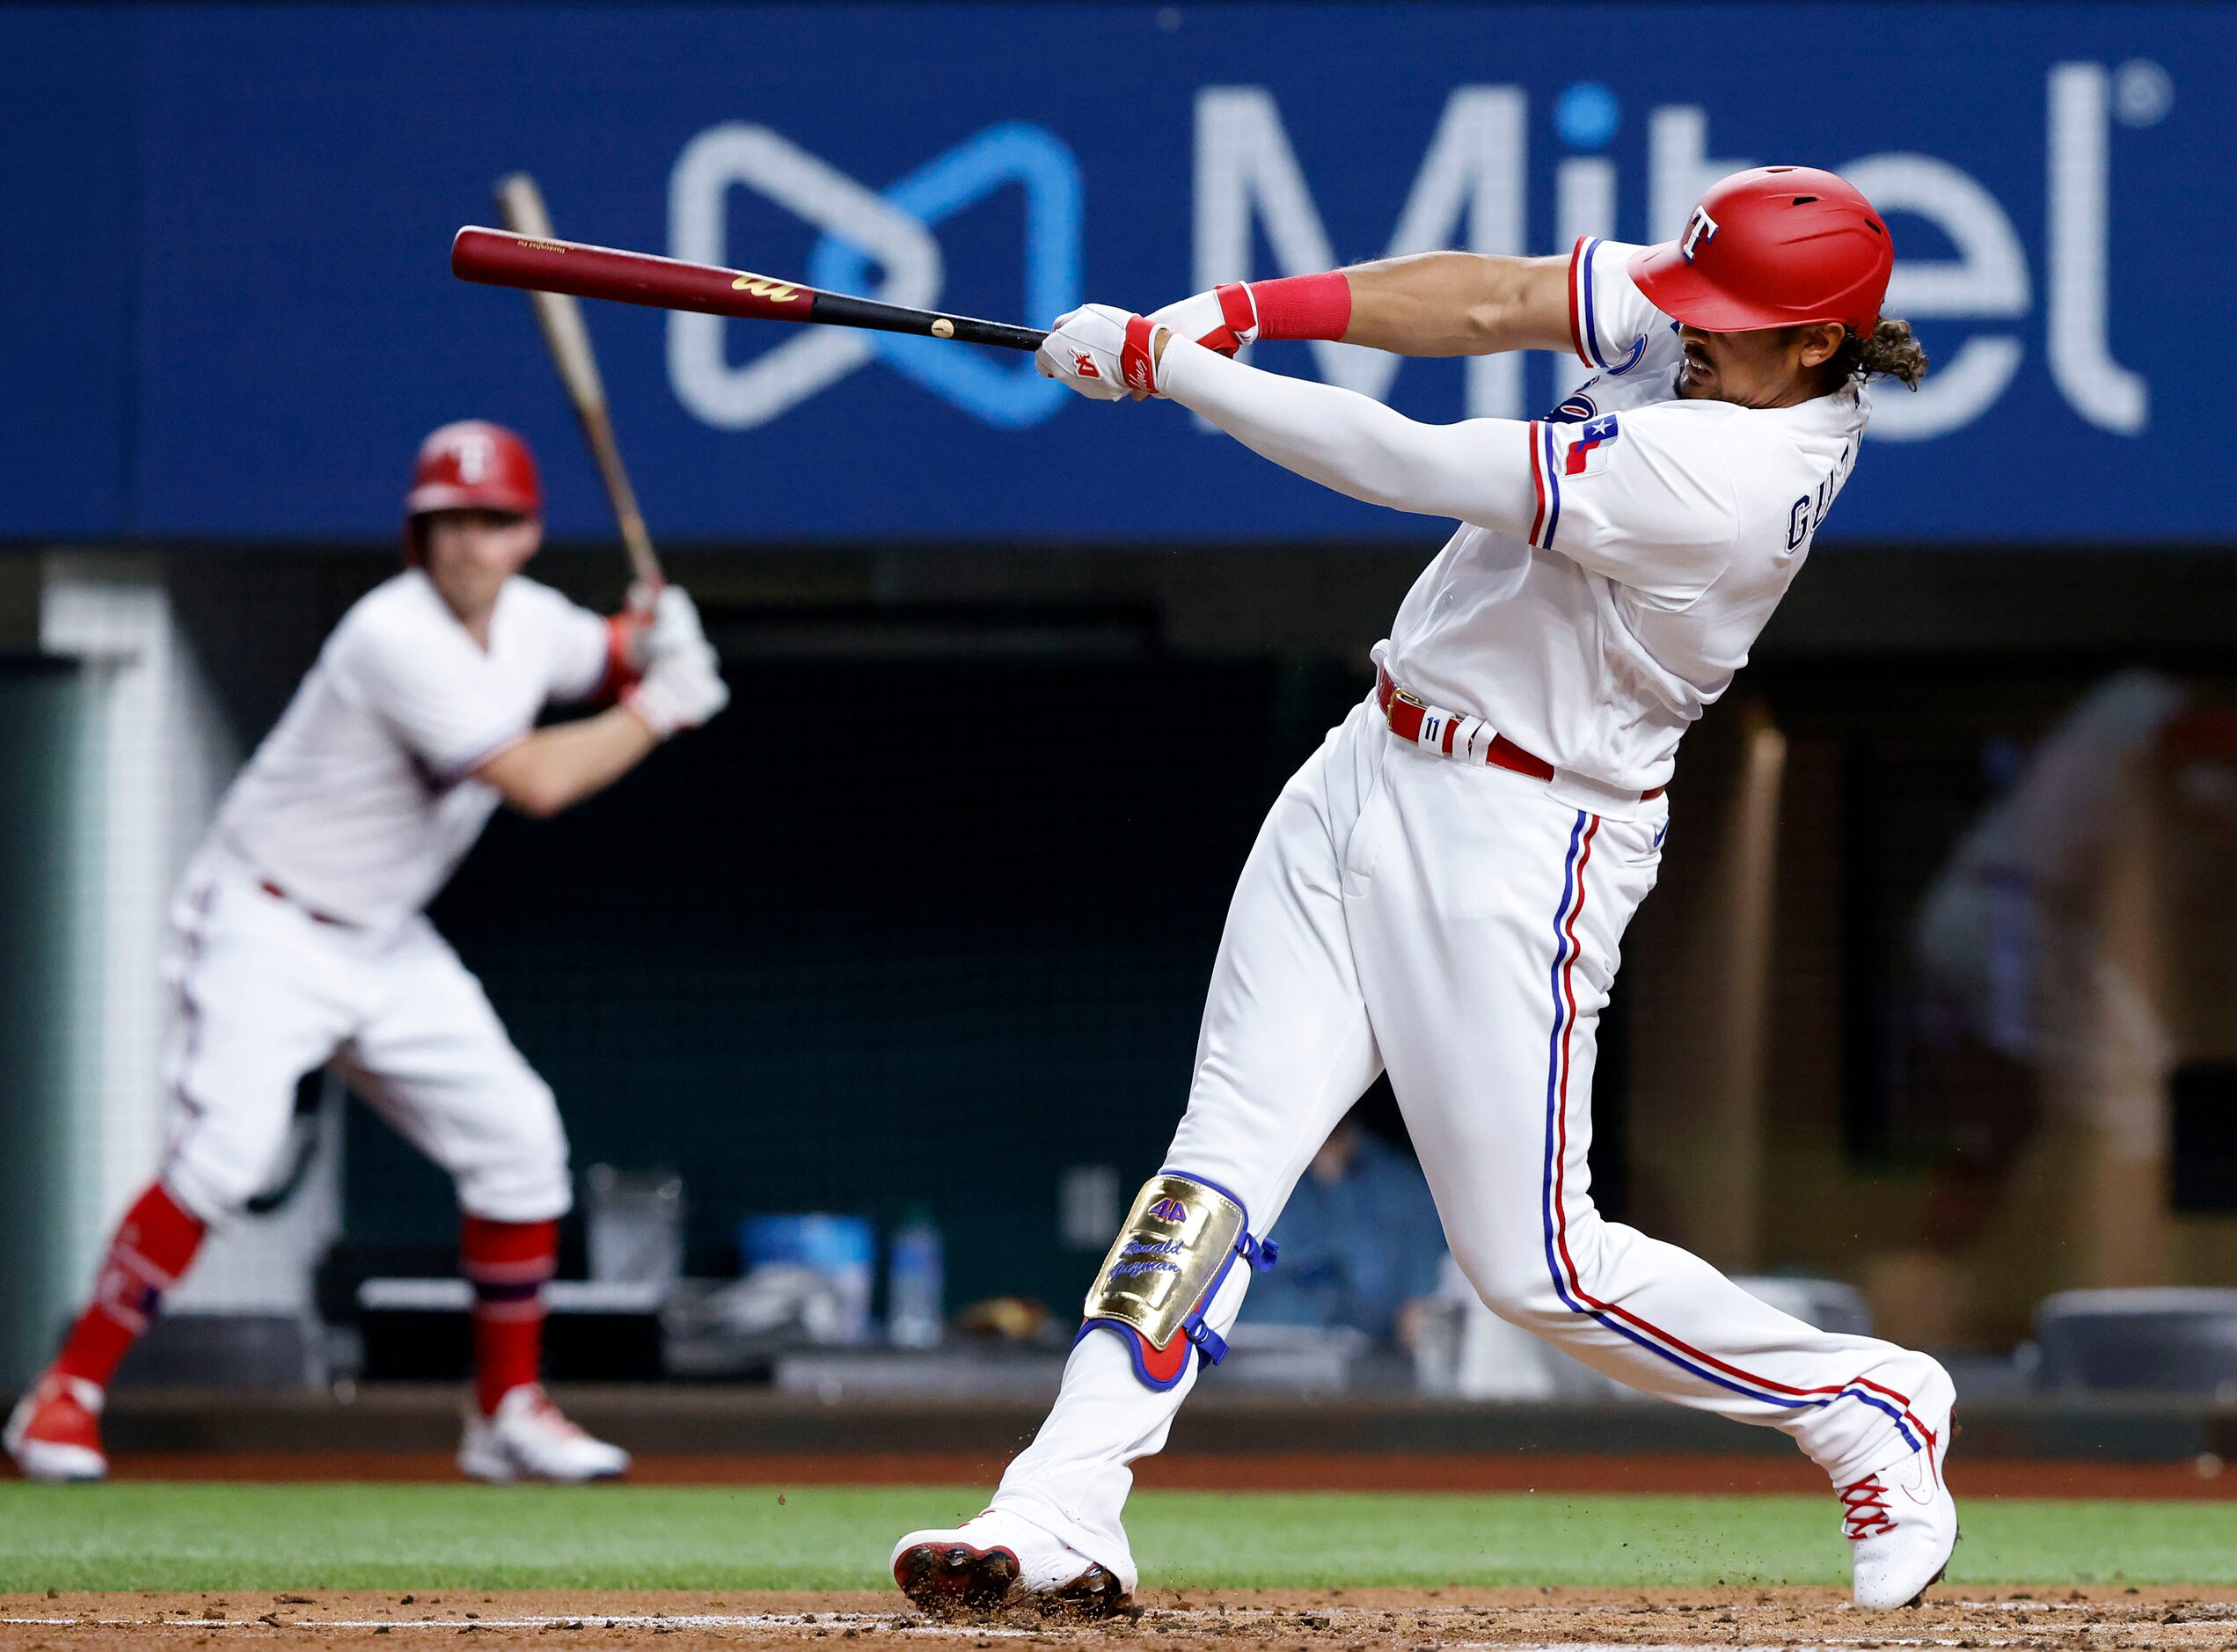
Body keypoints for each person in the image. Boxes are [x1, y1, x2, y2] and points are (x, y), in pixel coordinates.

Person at [891, 167, 1955, 1614]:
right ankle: (1062, 1497)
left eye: (1724, 318)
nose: (1685, 326)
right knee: (1217, 1162)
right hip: (1367, 764)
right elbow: (1495, 297)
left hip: (1525, 830)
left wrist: (1177, 374)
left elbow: (1406, 462)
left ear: (1818, 343)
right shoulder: (1723, 329)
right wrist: (1229, 313)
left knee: (1535, 1268)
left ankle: (1860, 1397)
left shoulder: (1731, 481)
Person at [5, 420, 729, 1484]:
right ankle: (61, 1398)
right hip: (268, 920)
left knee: (520, 1141)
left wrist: (651, 636)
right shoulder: (391, 636)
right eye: (447, 521)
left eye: (491, 522)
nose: (467, 543)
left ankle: (506, 1413)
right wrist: (663, 705)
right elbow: (534, 779)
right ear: (416, 534)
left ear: (526, 534)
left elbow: (603, 650)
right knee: (224, 1157)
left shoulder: (530, 621)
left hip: (384, 939)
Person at [1236, 1110, 1444, 1349]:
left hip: (1368, 1375)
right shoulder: (1245, 1181)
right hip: (1241, 1366)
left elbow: (1420, 1317)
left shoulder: (1408, 1192)